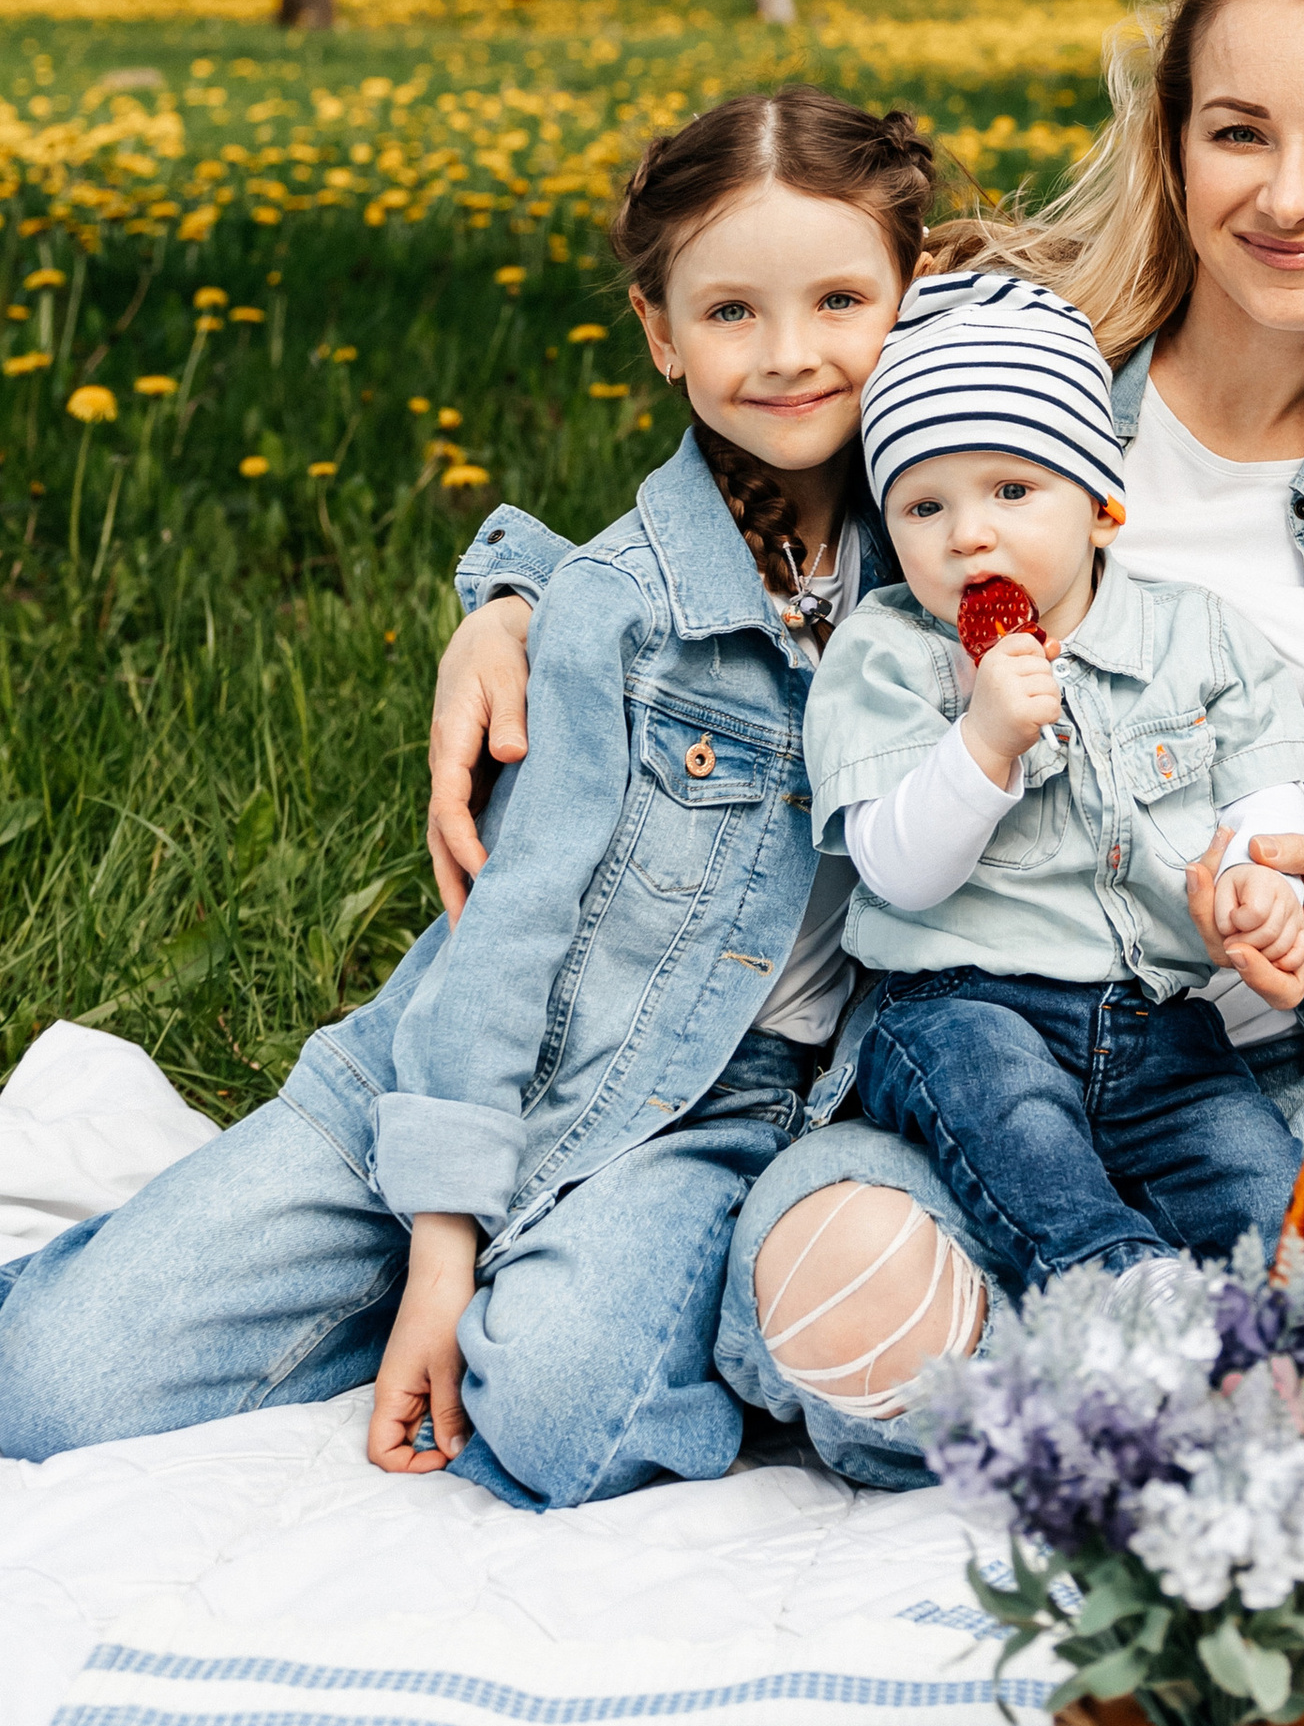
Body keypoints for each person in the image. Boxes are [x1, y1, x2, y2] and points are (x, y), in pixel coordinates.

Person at [427, 0, 1304, 1482]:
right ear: (1173, 146)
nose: (1292, 195)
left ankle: (1120, 1380)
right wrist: (517, 593)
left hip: (1282, 1053)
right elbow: (744, 466)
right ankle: (1025, 1354)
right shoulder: (1002, 344)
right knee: (852, 1297)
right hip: (959, 1018)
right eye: (1240, 131)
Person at [0, 88, 941, 1506]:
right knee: (54, 1385)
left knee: (564, 1422)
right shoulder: (614, 605)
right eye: (732, 311)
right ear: (658, 332)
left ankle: (606, 1293)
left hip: (698, 1108)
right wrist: (445, 1239)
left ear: (910, 298)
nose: (792, 354)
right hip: (446, 1062)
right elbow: (505, 945)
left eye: (838, 300)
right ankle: (427, 1279)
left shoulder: (955, 548)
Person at [812, 265, 1304, 1292]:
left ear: (1100, 509)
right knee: (1012, 1125)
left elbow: (1263, 795)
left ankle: (1286, 1327)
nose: (968, 533)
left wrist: (1258, 885)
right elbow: (894, 870)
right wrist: (984, 744)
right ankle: (1116, 1290)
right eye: (923, 505)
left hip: (1161, 1020)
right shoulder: (886, 655)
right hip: (961, 1003)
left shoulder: (1195, 638)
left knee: (1257, 1179)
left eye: (1012, 490)